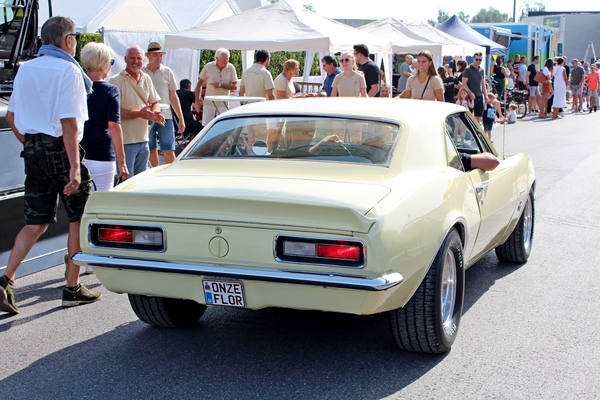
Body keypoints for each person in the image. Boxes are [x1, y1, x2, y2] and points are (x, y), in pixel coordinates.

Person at [1, 16, 101, 315]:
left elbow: (11, 117)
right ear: (67, 40)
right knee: (77, 217)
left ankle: (6, 280)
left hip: (32, 148)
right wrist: (73, 166)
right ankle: (71, 288)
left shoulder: (26, 68)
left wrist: (33, 146)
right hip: (62, 149)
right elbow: (69, 122)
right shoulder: (69, 70)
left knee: (36, 221)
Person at [80, 42, 128, 193]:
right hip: (102, 154)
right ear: (105, 64)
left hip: (77, 152)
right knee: (100, 201)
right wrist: (122, 162)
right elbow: (114, 126)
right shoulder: (110, 90)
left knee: (79, 205)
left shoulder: (76, 86)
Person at [109, 45, 164, 176]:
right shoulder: (115, 80)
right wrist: (140, 114)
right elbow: (113, 113)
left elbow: (155, 102)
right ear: (125, 59)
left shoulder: (146, 78)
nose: (135, 61)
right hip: (125, 143)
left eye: (139, 58)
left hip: (144, 140)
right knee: (125, 184)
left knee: (138, 184)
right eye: (132, 58)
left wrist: (155, 113)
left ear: (143, 60)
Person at [142, 42, 185, 166]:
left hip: (165, 115)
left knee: (169, 148)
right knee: (150, 148)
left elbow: (173, 96)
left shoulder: (167, 71)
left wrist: (180, 118)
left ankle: (171, 176)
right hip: (147, 116)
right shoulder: (141, 72)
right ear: (148, 56)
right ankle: (155, 174)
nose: (158, 58)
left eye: (160, 55)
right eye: (155, 55)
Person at [195, 48, 238, 125]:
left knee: (222, 127)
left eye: (227, 59)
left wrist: (220, 85)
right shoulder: (208, 66)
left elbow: (235, 87)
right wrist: (197, 101)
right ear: (217, 59)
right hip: (209, 103)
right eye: (224, 59)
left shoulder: (231, 67)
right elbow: (199, 84)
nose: (226, 61)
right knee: (206, 127)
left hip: (224, 104)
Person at [462, 51, 488, 123]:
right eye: (477, 59)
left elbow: (483, 84)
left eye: (480, 60)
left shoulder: (481, 70)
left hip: (479, 96)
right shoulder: (468, 69)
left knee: (478, 116)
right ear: (473, 59)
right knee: (469, 116)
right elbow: (464, 83)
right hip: (470, 97)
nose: (478, 61)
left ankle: (476, 132)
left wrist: (486, 96)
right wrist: (470, 93)